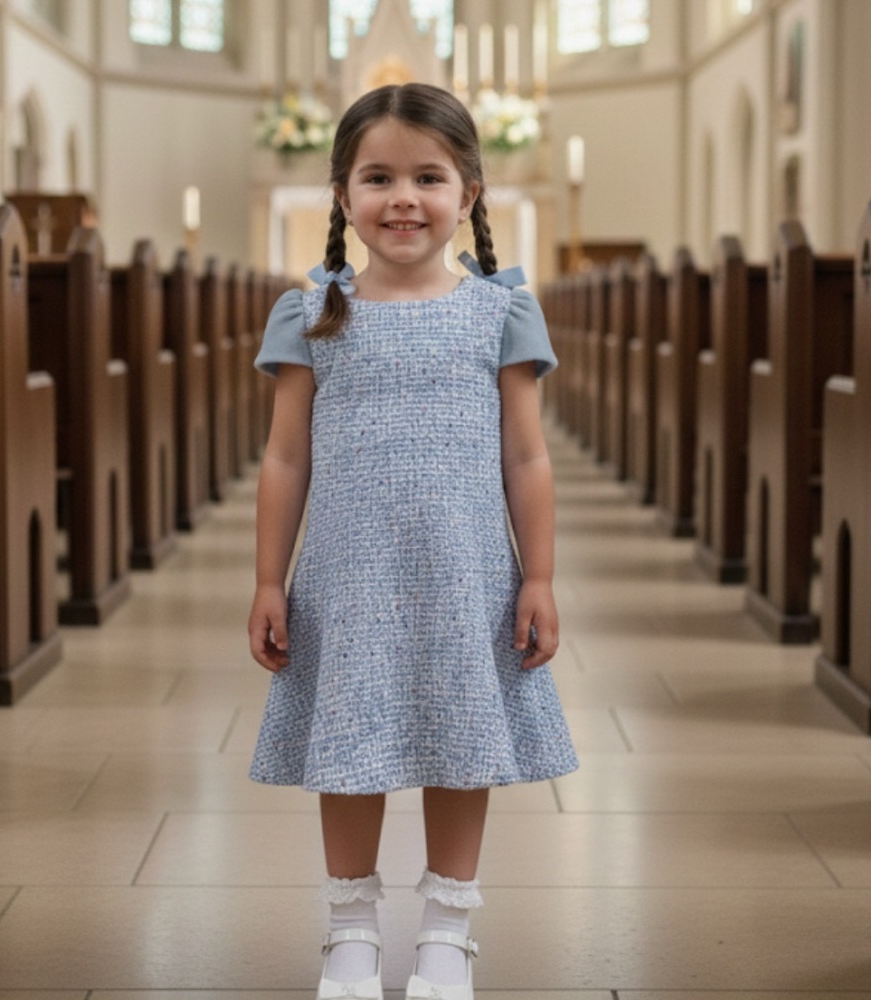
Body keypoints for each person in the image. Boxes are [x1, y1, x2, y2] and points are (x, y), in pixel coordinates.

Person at [247, 82, 578, 1000]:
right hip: (347, 577)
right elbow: (283, 460)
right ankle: (350, 931)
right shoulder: (314, 312)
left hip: (466, 573)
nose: (403, 198)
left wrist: (539, 576)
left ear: (469, 193)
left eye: (428, 176)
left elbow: (526, 456)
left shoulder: (500, 311)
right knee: (350, 747)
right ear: (342, 195)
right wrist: (270, 579)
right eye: (378, 176)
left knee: (461, 740)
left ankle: (446, 932)